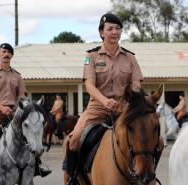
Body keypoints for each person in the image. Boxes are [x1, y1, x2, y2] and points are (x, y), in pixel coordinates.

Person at [63, 13, 163, 185]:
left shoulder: (130, 57)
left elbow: (136, 85)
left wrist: (135, 99)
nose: (114, 32)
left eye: (117, 28)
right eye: (110, 29)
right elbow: (89, 85)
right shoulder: (91, 56)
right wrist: (104, 100)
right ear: (102, 32)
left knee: (159, 141)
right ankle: (72, 178)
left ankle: (147, 174)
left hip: (125, 110)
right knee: (73, 140)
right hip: (97, 108)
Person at [0, 43, 51, 185]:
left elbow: (22, 97)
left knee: (30, 135)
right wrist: (1, 108)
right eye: (3, 52)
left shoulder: (18, 76)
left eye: (9, 52)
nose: (6, 54)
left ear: (12, 56)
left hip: (15, 114)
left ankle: (36, 166)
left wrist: (19, 110)